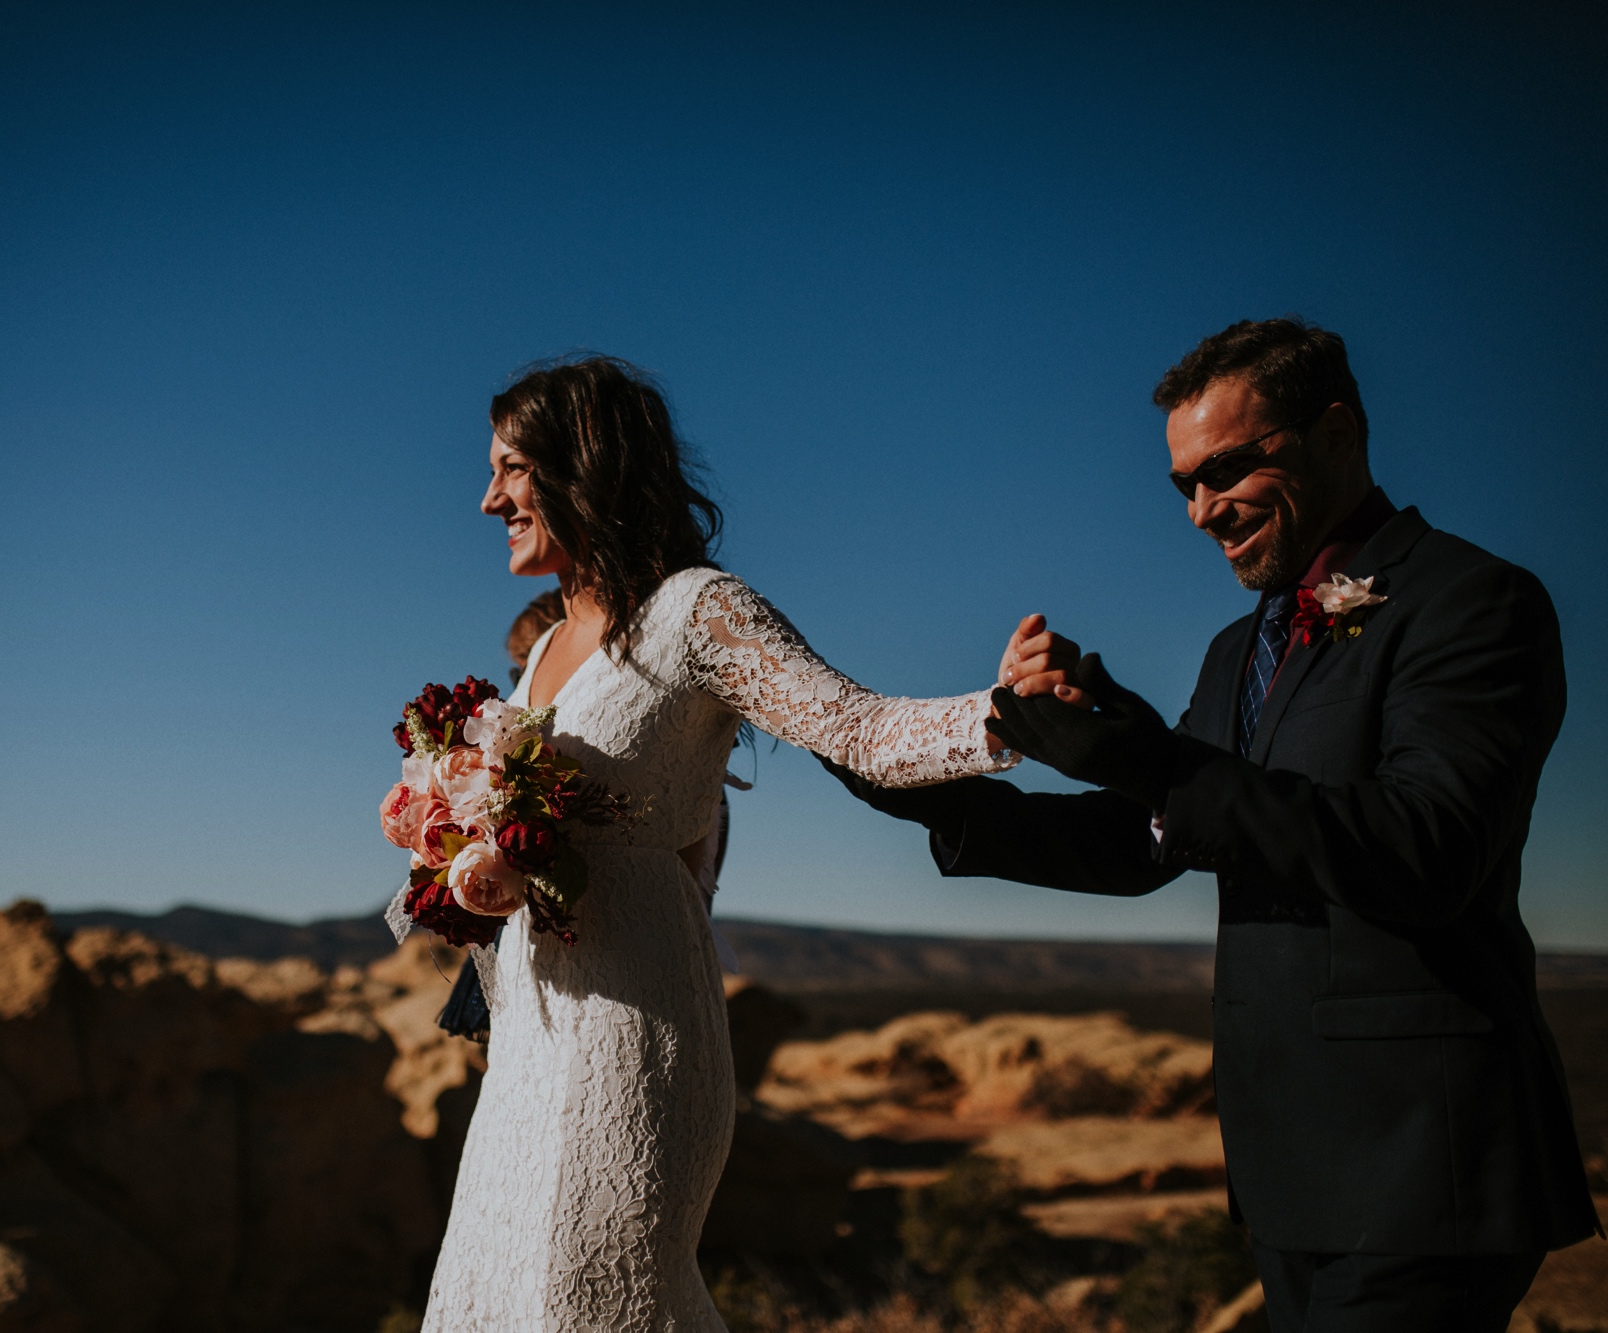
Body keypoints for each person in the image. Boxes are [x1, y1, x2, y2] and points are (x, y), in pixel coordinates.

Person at [831, 319, 1599, 1332]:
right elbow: (1140, 842)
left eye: (1229, 470)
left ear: (1334, 434)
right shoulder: (1236, 651)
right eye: (1183, 485)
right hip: (1287, 1178)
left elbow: (1425, 849)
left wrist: (1129, 752)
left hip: (1427, 1165)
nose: (1201, 511)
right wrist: (908, 778)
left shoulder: (1470, 602)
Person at [416, 355, 1074, 1330]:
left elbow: (853, 727)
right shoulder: (549, 642)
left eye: (510, 468)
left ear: (581, 462)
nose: (486, 499)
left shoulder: (697, 610)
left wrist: (1002, 713)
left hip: (633, 1026)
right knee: (497, 1285)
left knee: (589, 1298)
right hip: (529, 1034)